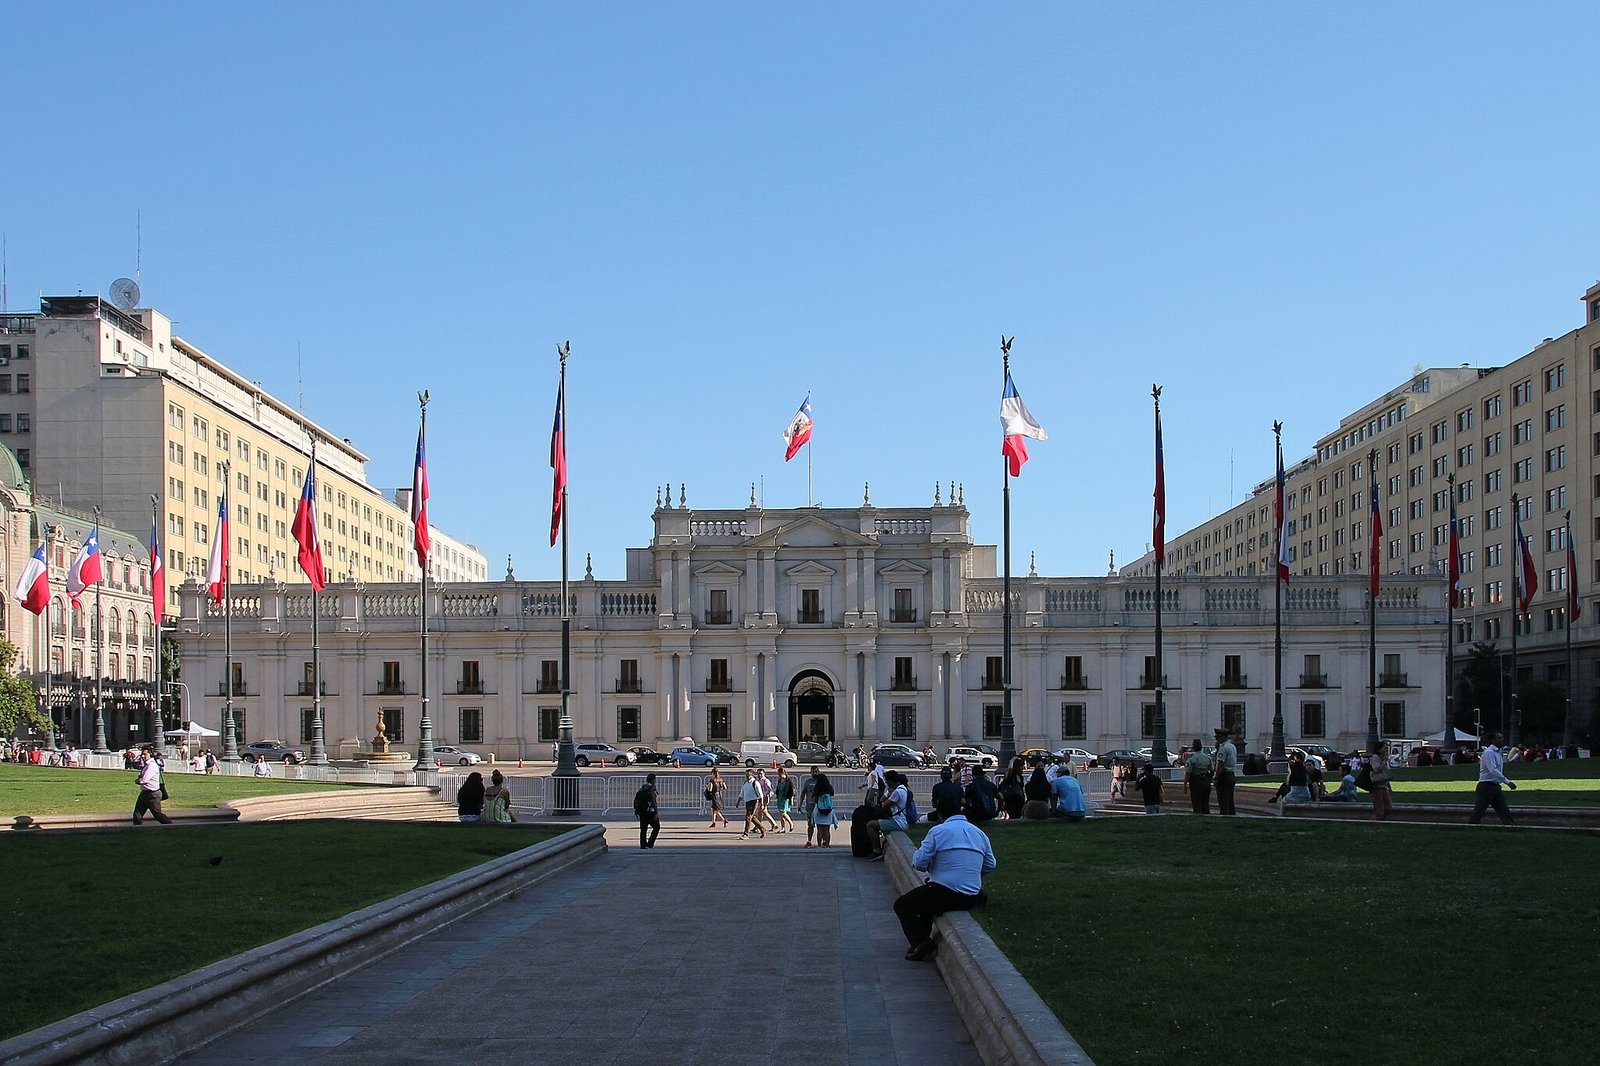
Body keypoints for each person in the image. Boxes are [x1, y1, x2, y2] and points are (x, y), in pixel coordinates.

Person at [892, 793, 996, 962]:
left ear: (940, 815)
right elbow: (991, 864)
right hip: (972, 896)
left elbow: (918, 862)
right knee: (926, 902)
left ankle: (921, 942)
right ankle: (921, 942)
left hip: (946, 892)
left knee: (903, 905)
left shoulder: (938, 831)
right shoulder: (979, 833)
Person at [1468, 732, 1517, 826]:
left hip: (1495, 786)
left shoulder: (1498, 752)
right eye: (1499, 738)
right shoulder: (1489, 753)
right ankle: (1471, 826)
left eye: (1502, 737)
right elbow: (1493, 770)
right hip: (1486, 786)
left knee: (1503, 809)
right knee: (1479, 810)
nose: (1502, 740)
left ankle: (1510, 826)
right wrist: (1508, 782)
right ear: (1493, 740)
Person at [867, 770, 911, 860]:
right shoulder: (902, 789)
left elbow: (884, 804)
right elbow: (882, 799)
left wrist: (888, 794)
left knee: (870, 825)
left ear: (891, 781)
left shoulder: (897, 792)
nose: (887, 784)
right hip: (898, 819)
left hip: (898, 822)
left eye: (887, 782)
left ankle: (876, 851)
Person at [132, 747, 173, 825]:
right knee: (137, 814)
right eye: (142, 754)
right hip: (145, 793)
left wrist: (137, 781)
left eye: (145, 754)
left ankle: (172, 826)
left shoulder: (152, 766)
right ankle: (136, 829)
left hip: (152, 794)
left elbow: (144, 780)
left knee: (157, 814)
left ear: (150, 755)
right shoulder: (147, 765)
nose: (143, 756)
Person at [1183, 739, 1213, 815]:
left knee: (1196, 803)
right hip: (1206, 781)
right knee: (1206, 803)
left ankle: (1198, 817)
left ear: (1193, 747)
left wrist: (1185, 786)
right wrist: (1208, 778)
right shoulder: (1207, 758)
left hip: (1196, 782)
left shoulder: (1192, 759)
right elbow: (1212, 770)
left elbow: (1188, 773)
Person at [1214, 730, 1238, 815]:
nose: (1217, 740)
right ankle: (1232, 815)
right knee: (1230, 799)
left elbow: (1220, 764)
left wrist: (1216, 777)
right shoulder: (1232, 746)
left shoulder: (1223, 748)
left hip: (1224, 776)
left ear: (1223, 737)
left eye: (1218, 738)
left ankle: (1224, 815)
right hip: (1231, 775)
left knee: (1223, 799)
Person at [811, 770, 838, 847]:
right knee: (827, 829)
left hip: (818, 809)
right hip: (828, 809)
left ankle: (819, 845)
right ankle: (827, 844)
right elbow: (832, 794)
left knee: (819, 829)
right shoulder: (829, 788)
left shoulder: (817, 788)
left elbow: (813, 796)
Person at [1369, 739, 1394, 821]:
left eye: (1387, 749)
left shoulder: (1383, 759)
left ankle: (1380, 820)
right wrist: (1384, 761)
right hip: (1377, 786)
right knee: (1379, 808)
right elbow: (1376, 770)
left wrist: (1389, 786)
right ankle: (1378, 822)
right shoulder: (1375, 757)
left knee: (1389, 807)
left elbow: (1385, 774)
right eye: (1385, 748)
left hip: (1384, 786)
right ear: (1379, 749)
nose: (1386, 750)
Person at [634, 772, 660, 849]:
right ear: (653, 780)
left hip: (642, 811)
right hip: (650, 812)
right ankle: (650, 844)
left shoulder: (642, 789)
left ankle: (643, 844)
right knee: (656, 827)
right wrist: (656, 813)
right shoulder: (651, 789)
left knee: (643, 829)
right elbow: (653, 802)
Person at [739, 769, 766, 839]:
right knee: (752, 817)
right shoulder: (745, 783)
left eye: (748, 775)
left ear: (752, 775)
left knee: (748, 817)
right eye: (746, 775)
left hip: (754, 801)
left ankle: (746, 834)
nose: (747, 777)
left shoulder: (755, 783)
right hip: (747, 802)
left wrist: (762, 803)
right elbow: (742, 792)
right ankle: (763, 829)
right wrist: (738, 801)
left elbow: (760, 794)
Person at [799, 766, 819, 846]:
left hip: (819, 806)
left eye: (816, 771)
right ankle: (809, 841)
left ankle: (823, 841)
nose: (814, 773)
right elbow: (803, 793)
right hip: (810, 806)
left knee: (821, 825)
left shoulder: (821, 781)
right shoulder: (808, 782)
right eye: (813, 771)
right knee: (810, 824)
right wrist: (800, 805)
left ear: (818, 771)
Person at [773, 766, 796, 833]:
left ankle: (791, 823)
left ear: (783, 773)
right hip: (780, 797)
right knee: (781, 814)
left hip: (785, 798)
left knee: (783, 813)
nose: (779, 775)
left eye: (780, 774)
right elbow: (778, 788)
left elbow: (792, 790)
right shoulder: (780, 780)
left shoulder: (788, 781)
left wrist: (791, 798)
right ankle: (783, 828)